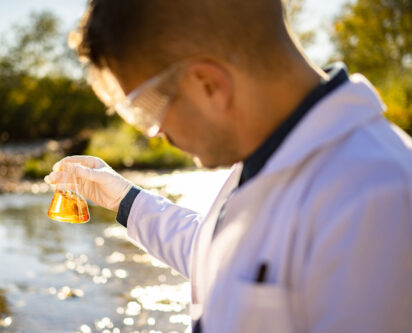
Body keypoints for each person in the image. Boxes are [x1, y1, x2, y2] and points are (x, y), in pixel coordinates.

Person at [45, 0, 412, 332]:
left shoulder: (380, 199)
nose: (154, 132)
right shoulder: (271, 153)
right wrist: (124, 198)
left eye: (146, 111)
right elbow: (229, 266)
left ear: (208, 84)